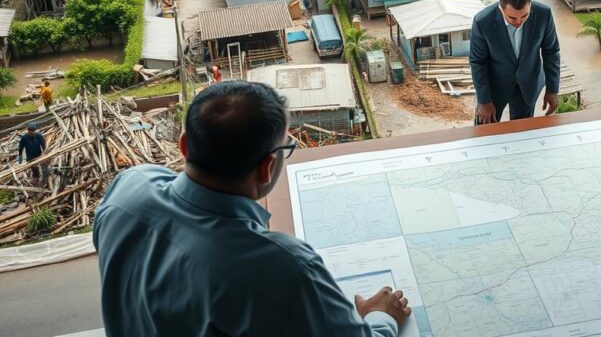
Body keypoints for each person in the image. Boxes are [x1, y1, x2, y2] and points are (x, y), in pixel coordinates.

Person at [93, 81, 410, 336]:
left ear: (184, 145)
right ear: (267, 167)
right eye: (287, 147)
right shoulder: (285, 270)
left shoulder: (127, 191)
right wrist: (381, 317)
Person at [470, 0, 560, 123]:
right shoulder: (482, 22)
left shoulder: (544, 14)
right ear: (501, 8)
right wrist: (484, 100)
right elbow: (477, 62)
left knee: (522, 132)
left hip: (528, 83)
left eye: (525, 16)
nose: (519, 22)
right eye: (512, 18)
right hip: (494, 84)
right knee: (484, 127)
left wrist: (552, 89)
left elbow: (551, 51)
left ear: (530, 5)